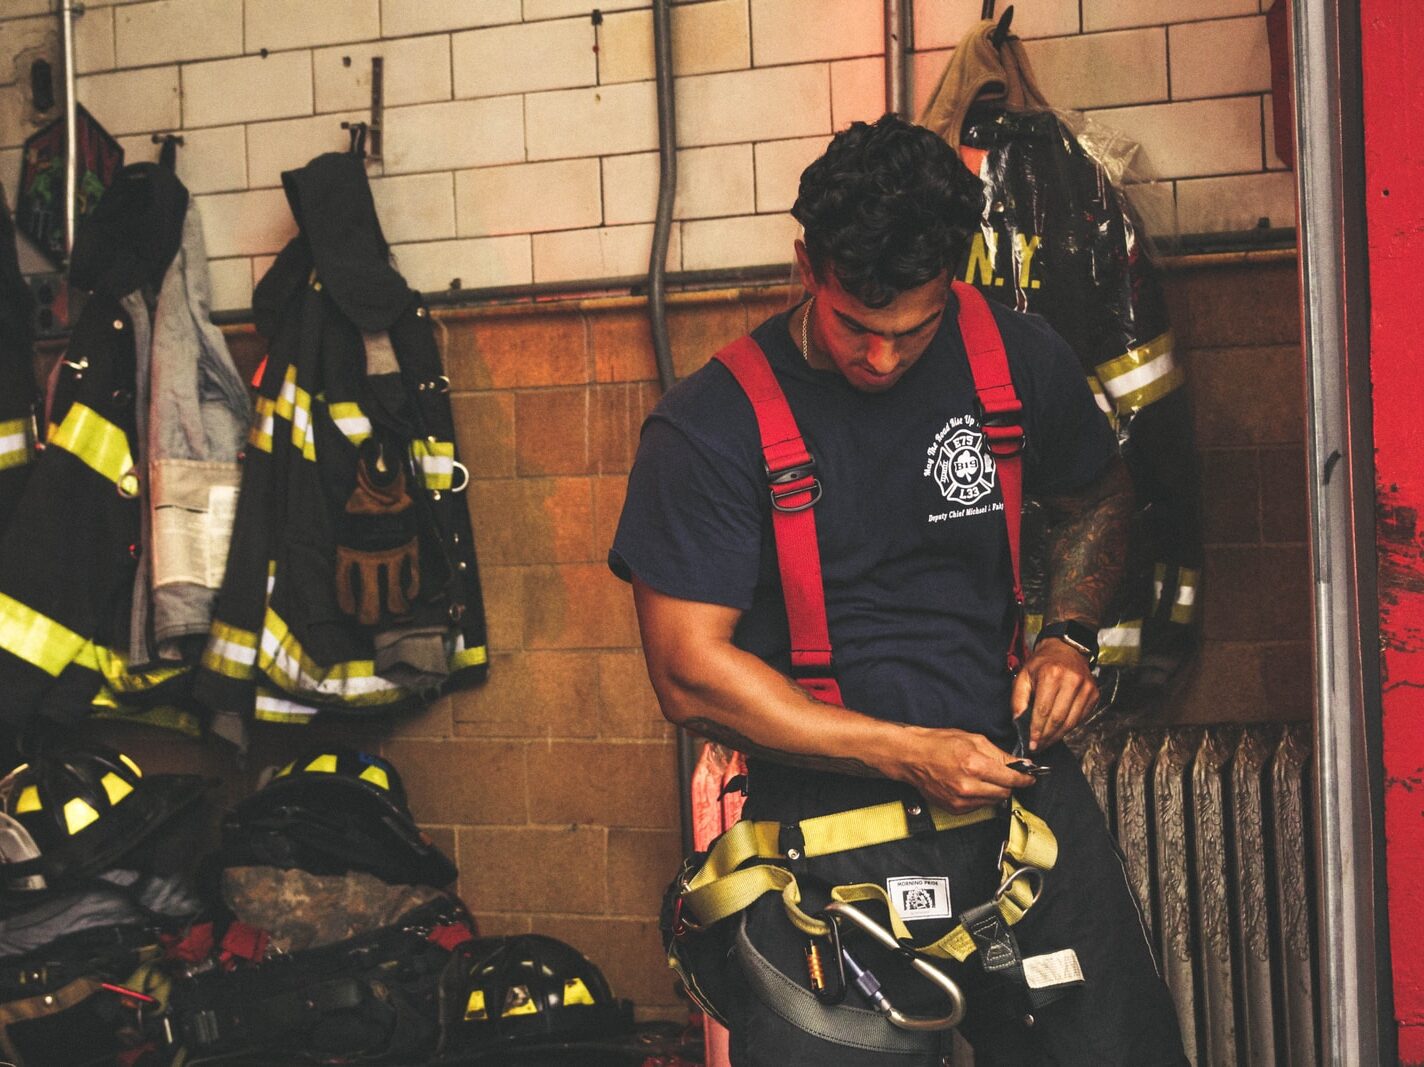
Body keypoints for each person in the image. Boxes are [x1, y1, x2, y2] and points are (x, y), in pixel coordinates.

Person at [609, 115, 1185, 1065]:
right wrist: (904, 752)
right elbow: (689, 675)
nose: (879, 359)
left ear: (954, 275)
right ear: (806, 266)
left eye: (911, 334)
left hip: (1015, 813)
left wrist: (1066, 636)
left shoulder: (1018, 357)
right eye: (854, 328)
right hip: (819, 845)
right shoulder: (708, 426)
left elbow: (1096, 495)